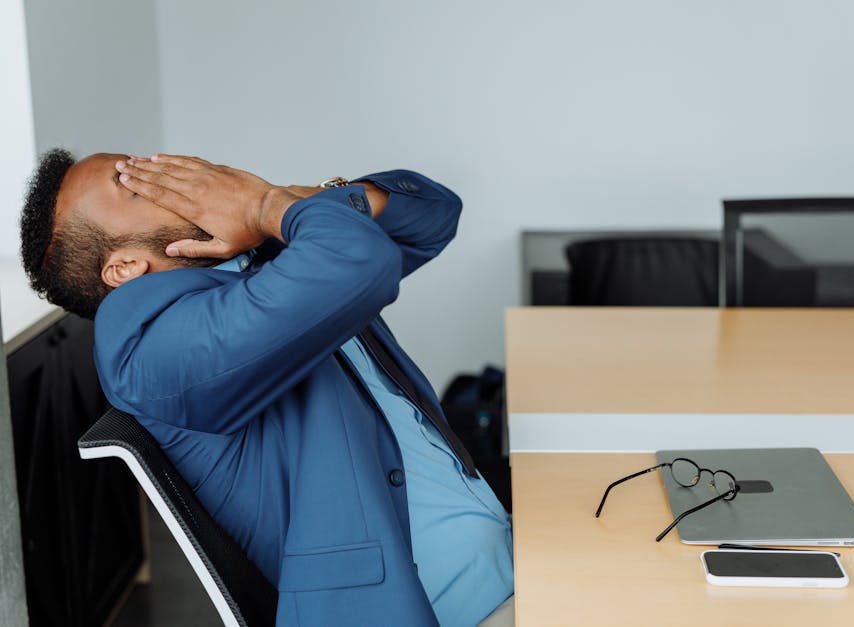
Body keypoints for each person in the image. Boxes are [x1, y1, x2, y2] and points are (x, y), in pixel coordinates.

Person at [20, 149, 514, 626]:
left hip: (511, 557)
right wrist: (261, 205)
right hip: (446, 609)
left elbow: (431, 213)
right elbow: (361, 258)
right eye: (128, 185)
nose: (157, 172)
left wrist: (270, 202)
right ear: (124, 267)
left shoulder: (257, 259)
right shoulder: (145, 345)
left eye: (140, 163)